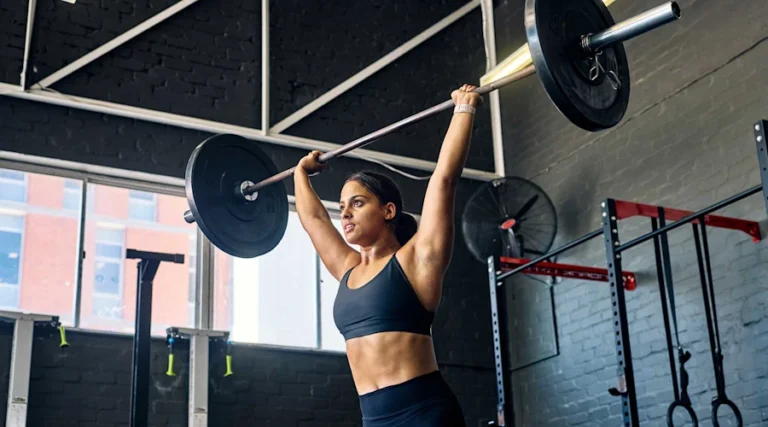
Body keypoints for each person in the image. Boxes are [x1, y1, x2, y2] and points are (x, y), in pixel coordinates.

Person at [292, 84, 481, 427]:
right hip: (375, 419)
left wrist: (464, 109)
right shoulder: (348, 268)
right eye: (342, 206)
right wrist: (300, 173)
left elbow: (444, 180)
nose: (345, 214)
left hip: (425, 414)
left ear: (388, 210)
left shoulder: (416, 260)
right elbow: (314, 220)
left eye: (358, 203)